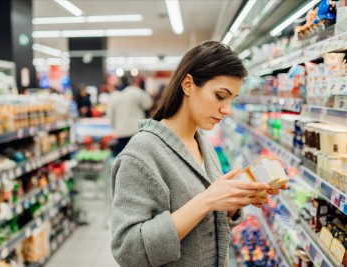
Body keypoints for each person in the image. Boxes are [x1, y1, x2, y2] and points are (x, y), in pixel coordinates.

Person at [110, 41, 286, 266]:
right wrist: (207, 200)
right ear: (188, 85)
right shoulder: (141, 154)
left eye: (232, 99)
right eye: (220, 96)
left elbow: (203, 230)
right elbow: (128, 250)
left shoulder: (203, 144)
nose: (227, 109)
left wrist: (232, 204)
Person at [107, 76, 153, 157]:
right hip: (136, 130)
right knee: (139, 159)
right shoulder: (136, 91)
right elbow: (148, 103)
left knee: (123, 160)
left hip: (121, 132)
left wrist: (115, 128)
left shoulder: (113, 96)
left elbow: (110, 116)